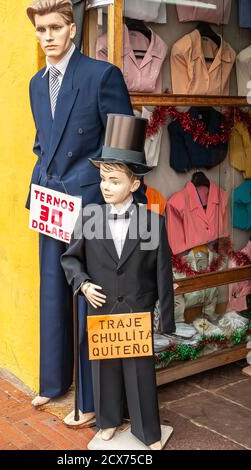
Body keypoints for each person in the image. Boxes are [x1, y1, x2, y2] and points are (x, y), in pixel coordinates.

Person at [26, 0, 139, 425]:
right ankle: (54, 382)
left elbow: (123, 144)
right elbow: (43, 142)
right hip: (50, 199)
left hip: (90, 203)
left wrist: (111, 198)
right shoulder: (36, 83)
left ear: (72, 29)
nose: (48, 36)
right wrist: (40, 182)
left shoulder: (101, 75)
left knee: (92, 297)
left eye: (55, 27)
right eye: (41, 30)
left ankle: (93, 401)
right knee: (53, 288)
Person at [61, 114, 175, 449]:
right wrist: (82, 284)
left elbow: (163, 271)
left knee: (140, 371)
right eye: (103, 179)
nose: (106, 187)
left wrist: (164, 318)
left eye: (114, 181)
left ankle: (146, 430)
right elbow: (70, 258)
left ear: (134, 184)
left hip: (137, 307)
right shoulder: (88, 217)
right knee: (105, 369)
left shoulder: (153, 222)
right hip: (101, 306)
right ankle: (108, 421)